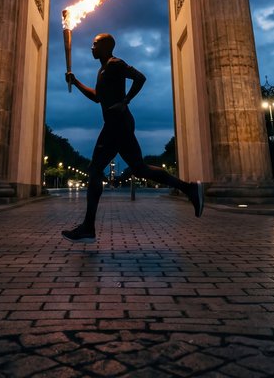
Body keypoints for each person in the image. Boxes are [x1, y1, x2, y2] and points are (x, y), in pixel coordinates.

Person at [62, 32, 204, 243]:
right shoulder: (102, 69)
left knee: (94, 170)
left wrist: (126, 100)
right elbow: (98, 98)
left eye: (95, 44)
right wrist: (76, 82)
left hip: (117, 124)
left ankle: (88, 227)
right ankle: (189, 188)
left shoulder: (114, 63)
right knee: (140, 168)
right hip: (116, 124)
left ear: (106, 47)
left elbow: (140, 77)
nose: (91, 48)